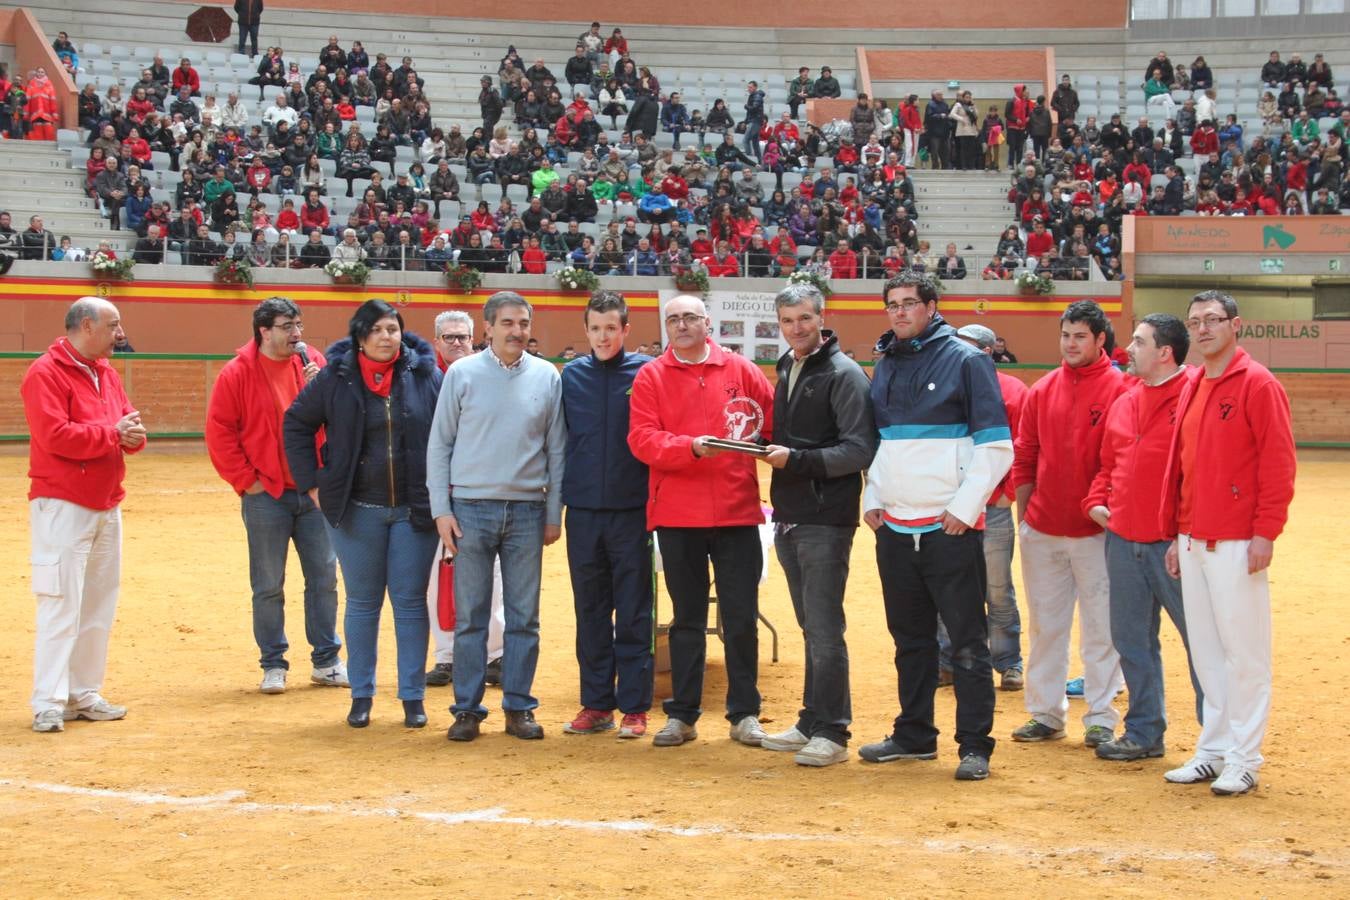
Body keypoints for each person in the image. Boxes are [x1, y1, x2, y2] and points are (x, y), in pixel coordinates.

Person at [859, 273, 1012, 781]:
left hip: (950, 530)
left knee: (967, 642)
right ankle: (915, 736)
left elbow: (995, 446)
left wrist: (964, 510)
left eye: (909, 304)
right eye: (892, 305)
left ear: (931, 306)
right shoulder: (884, 367)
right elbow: (882, 443)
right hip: (896, 530)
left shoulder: (968, 361)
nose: (900, 312)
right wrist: (874, 496)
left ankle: (974, 745)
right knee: (910, 640)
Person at [1160, 292, 1296, 796]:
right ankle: (1214, 749)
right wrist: (1178, 533)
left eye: (1212, 320)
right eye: (1194, 322)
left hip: (1239, 540)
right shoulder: (1194, 382)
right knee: (1208, 653)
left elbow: (1278, 464)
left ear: (1235, 326)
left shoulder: (1258, 384)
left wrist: (1266, 532)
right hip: (1193, 538)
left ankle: (1245, 756)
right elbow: (1185, 467)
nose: (1202, 329)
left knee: (1245, 655)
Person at [284, 300, 443, 729]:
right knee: (363, 603)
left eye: (392, 328)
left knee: (410, 604)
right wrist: (313, 483)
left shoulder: (426, 375)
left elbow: (450, 431)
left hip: (414, 511)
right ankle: (362, 694)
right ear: (360, 336)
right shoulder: (336, 377)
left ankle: (412, 696)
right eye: (376, 329)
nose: (386, 336)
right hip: (357, 511)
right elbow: (296, 423)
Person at [627, 294, 776, 748]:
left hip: (736, 512)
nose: (682, 325)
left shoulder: (742, 370)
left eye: (690, 317)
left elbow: (770, 422)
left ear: (708, 323)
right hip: (677, 515)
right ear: (665, 327)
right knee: (686, 619)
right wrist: (690, 447)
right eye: (673, 319)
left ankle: (744, 712)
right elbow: (642, 439)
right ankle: (683, 714)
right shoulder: (652, 375)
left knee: (740, 618)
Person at [427, 292, 565, 743]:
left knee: (525, 617)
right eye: (507, 323)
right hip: (470, 511)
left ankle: (519, 707)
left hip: (528, 511)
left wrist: (552, 511)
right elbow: (440, 445)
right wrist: (441, 510)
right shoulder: (462, 374)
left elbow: (556, 449)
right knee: (471, 617)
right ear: (487, 329)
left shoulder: (547, 376)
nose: (516, 331)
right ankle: (466, 709)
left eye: (523, 323)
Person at [754, 284, 876, 767]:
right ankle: (811, 719)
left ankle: (833, 730)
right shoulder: (789, 365)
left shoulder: (845, 374)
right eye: (787, 320)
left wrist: (796, 459)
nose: (797, 328)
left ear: (821, 318)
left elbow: (859, 450)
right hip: (790, 514)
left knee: (825, 628)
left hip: (826, 518)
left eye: (804, 319)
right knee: (809, 626)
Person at [205, 297, 346, 695]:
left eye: (298, 325)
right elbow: (220, 433)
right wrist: (246, 481)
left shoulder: (312, 363)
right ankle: (273, 663)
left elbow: (342, 420)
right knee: (268, 583)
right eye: (287, 326)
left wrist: (327, 390)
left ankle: (327, 660)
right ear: (264, 331)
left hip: (313, 491)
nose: (296, 334)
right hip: (266, 493)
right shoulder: (236, 374)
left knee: (324, 577)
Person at [1083, 314, 1204, 763]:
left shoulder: (1194, 395)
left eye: (1138, 342)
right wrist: (1096, 500)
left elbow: (1198, 473)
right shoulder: (1126, 399)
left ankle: (1217, 739)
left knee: (1201, 643)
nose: (1127, 349)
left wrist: (1182, 533)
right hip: (1122, 538)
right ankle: (1144, 731)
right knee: (1131, 640)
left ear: (1165, 352)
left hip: (1172, 544)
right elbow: (1108, 464)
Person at [23, 298, 146, 733]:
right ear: (88, 325)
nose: (120, 333)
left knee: (97, 604)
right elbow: (56, 436)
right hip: (63, 504)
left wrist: (130, 435)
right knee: (60, 603)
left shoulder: (106, 372)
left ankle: (83, 693)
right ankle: (49, 701)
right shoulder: (45, 373)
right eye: (114, 325)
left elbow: (124, 422)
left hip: (105, 502)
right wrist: (114, 435)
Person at [1010, 300, 1128, 748]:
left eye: (1080, 336)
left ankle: (1101, 716)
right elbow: (1025, 456)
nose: (1071, 343)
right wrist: (1027, 519)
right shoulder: (1042, 389)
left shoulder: (1121, 389)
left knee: (1102, 628)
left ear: (1101, 340)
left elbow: (1120, 462)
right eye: (1066, 335)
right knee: (1045, 626)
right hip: (1042, 530)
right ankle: (1045, 713)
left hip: (1098, 533)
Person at [560, 291, 655, 739]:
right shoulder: (570, 377)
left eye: (611, 328)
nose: (602, 336)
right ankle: (597, 703)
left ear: (625, 330)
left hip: (633, 512)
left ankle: (635, 707)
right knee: (591, 611)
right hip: (581, 513)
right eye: (595, 328)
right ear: (586, 330)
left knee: (634, 611)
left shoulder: (647, 373)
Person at [931, 325, 1028, 691]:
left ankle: (1008, 661)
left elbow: (1021, 444)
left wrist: (1006, 492)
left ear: (987, 353)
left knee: (997, 587)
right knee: (948, 583)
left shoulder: (1014, 392)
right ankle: (949, 660)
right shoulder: (946, 389)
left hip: (993, 506)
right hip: (951, 505)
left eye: (966, 349)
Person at [423, 311, 506, 690]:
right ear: (436, 340)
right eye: (449, 337)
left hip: (483, 493)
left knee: (493, 577)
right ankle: (447, 656)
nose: (456, 343)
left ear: (476, 339)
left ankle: (496, 655)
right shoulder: (422, 379)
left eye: (463, 337)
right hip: (438, 494)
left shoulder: (486, 375)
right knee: (437, 580)